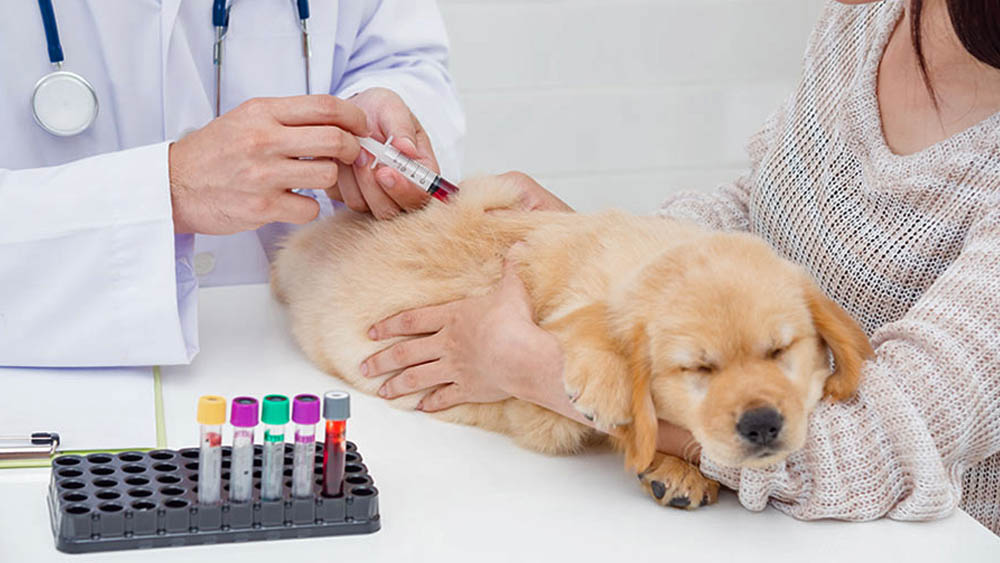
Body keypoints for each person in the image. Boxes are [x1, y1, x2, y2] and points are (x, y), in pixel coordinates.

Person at [360, 0, 1000, 534]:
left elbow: (865, 454)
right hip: (762, 523)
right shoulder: (869, 19)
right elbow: (767, 203)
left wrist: (530, 366)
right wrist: (608, 244)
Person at [0, 1, 464, 367]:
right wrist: (169, 189)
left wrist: (375, 104)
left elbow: (401, 54)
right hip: (49, 363)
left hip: (300, 347)